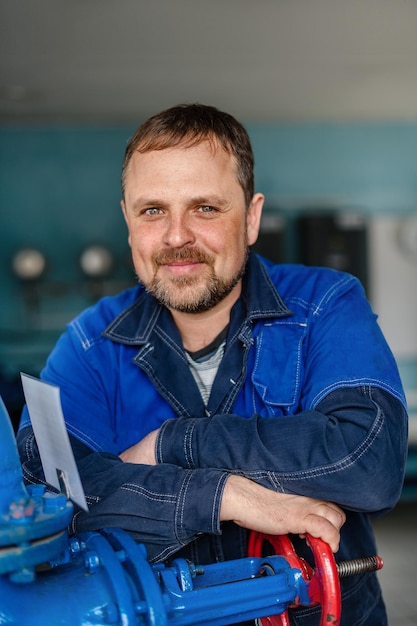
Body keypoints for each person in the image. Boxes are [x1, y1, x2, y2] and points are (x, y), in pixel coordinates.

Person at [17, 104, 408, 626]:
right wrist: (219, 494)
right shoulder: (89, 342)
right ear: (129, 222)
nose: (177, 236)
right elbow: (47, 493)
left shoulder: (325, 304)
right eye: (153, 210)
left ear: (250, 218)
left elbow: (369, 460)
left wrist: (172, 444)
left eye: (204, 208)